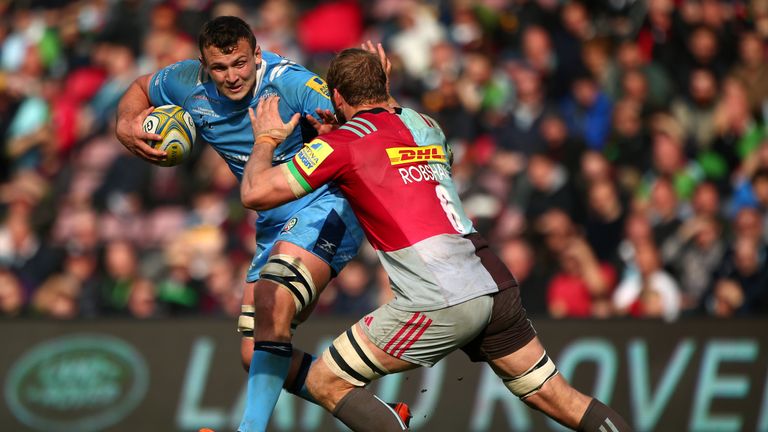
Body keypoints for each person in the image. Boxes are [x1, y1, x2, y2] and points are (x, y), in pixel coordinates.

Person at [241, 47, 634, 431]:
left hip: (438, 297)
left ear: (337, 97)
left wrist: (266, 139)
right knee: (556, 395)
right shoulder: (427, 124)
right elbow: (395, 142)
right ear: (384, 81)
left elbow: (255, 193)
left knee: (328, 381)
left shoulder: (341, 145)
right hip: (493, 284)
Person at [115, 16, 410, 432]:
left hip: (325, 205)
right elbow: (141, 88)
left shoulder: (289, 83)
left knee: (273, 297)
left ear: (256, 54)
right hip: (272, 221)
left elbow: (360, 117)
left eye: (240, 63)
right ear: (204, 65)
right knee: (256, 353)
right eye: (219, 68)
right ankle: (377, 419)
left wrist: (376, 97)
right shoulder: (185, 83)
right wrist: (125, 125)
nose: (232, 77)